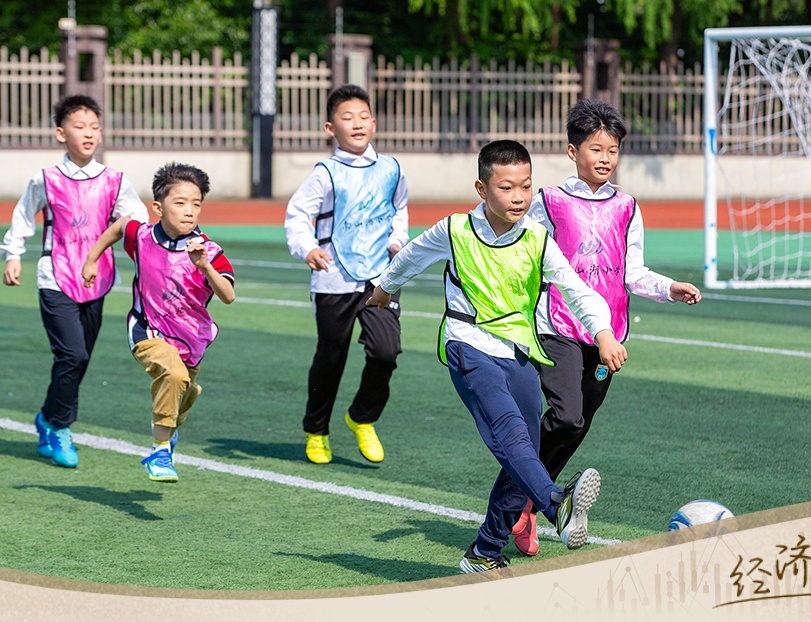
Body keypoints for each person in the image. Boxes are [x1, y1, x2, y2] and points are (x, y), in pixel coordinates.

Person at [366, 139, 628, 572]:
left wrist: (603, 333)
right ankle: (556, 505)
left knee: (523, 454)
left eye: (526, 186)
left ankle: (484, 551)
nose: (519, 196)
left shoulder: (537, 239)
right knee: (511, 434)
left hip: (518, 350)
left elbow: (577, 291)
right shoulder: (455, 230)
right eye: (507, 188)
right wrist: (384, 287)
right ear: (482, 189)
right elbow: (411, 256)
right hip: (467, 344)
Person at [508, 99, 703, 556]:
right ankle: (532, 495)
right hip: (557, 325)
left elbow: (632, 272)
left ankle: (528, 504)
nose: (605, 158)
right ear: (572, 151)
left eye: (612, 150)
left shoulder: (627, 206)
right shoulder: (549, 202)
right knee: (566, 415)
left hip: (608, 337)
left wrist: (669, 287)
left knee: (579, 424)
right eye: (595, 149)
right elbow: (521, 254)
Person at [1, 94, 148, 468]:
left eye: (94, 127)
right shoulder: (45, 179)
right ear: (60, 133)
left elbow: (138, 220)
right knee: (72, 355)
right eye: (79, 126)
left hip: (97, 280)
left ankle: (47, 417)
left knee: (79, 360)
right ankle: (61, 428)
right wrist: (13, 254)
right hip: (55, 276)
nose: (88, 133)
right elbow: (23, 216)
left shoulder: (115, 181)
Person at [82, 162, 235, 482]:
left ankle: (170, 429)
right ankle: (160, 451)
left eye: (196, 204)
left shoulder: (208, 250)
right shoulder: (142, 237)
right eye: (180, 202)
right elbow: (118, 228)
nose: (189, 211)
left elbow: (228, 295)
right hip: (147, 329)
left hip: (191, 339)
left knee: (185, 389)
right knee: (173, 375)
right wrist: (92, 259)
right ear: (158, 207)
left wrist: (205, 267)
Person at [284, 84, 408, 465]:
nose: (356, 124)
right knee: (331, 356)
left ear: (374, 123)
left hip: (380, 277)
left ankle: (361, 417)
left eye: (363, 117)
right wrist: (307, 247)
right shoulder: (326, 173)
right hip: (334, 276)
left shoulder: (391, 169)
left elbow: (399, 210)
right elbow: (297, 215)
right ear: (330, 128)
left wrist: (397, 240)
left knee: (386, 351)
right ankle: (316, 430)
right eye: (346, 117)